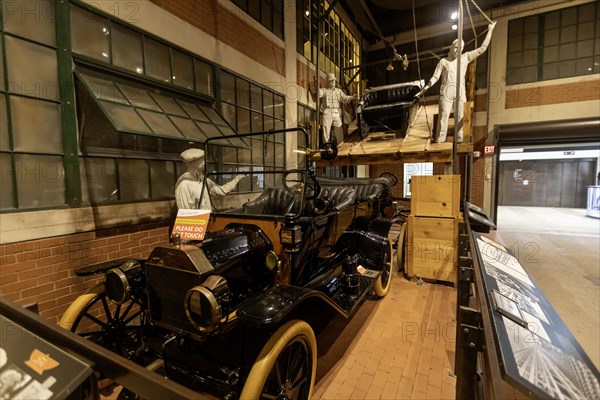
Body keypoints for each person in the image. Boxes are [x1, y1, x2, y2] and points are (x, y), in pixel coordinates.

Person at [416, 21, 496, 143]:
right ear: (452, 47)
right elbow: (435, 77)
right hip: (446, 91)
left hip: (460, 90)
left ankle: (459, 137)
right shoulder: (443, 61)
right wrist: (425, 88)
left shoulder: (466, 57)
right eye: (456, 47)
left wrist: (490, 30)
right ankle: (440, 139)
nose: (458, 50)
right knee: (444, 115)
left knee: (460, 115)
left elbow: (482, 49)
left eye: (460, 48)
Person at [175, 148, 245, 210]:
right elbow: (184, 215)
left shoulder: (203, 180)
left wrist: (239, 177)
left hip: (208, 221)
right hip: (198, 224)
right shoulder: (183, 184)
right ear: (193, 163)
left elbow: (222, 191)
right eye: (202, 160)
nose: (205, 163)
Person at [310, 73, 356, 144]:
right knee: (326, 130)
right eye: (331, 81)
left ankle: (340, 146)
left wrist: (353, 97)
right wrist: (316, 85)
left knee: (339, 129)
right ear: (328, 82)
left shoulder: (338, 91)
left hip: (336, 112)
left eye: (334, 81)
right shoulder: (324, 90)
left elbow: (345, 98)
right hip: (327, 111)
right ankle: (326, 146)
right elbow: (319, 94)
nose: (333, 82)